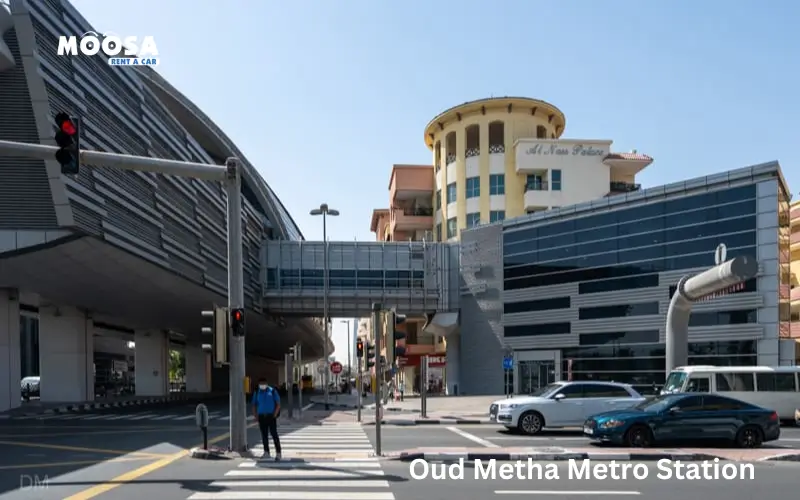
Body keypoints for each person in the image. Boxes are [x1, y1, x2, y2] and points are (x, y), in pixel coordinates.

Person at [252, 378, 282, 461]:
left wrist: (275, 414)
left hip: (271, 416)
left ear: (266, 383)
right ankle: (266, 452)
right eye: (260, 383)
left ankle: (278, 453)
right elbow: (254, 404)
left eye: (263, 383)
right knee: (264, 435)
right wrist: (255, 416)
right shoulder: (257, 392)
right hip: (261, 416)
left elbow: (278, 403)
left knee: (274, 434)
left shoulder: (272, 391)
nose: (262, 385)